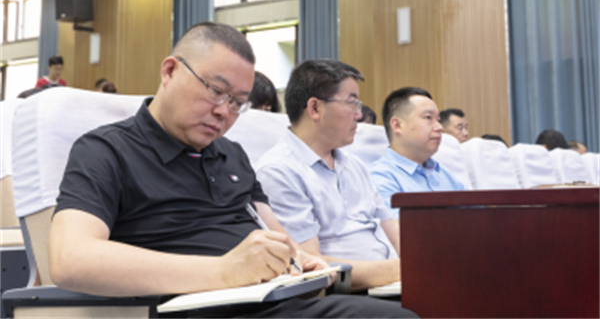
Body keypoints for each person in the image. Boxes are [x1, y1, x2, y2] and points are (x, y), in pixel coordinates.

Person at [49, 23, 417, 318]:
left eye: (238, 103)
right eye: (215, 91)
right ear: (170, 71)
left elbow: (278, 237)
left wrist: (299, 258)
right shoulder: (106, 150)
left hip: (273, 301)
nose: (224, 112)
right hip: (197, 307)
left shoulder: (232, 154)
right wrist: (224, 271)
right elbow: (70, 260)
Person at [256, 59, 401, 292]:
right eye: (352, 103)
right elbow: (311, 265)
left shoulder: (354, 165)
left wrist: (422, 263)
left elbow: (391, 230)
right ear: (315, 108)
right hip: (350, 293)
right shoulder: (279, 172)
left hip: (392, 283)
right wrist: (403, 270)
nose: (359, 114)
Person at [369, 87, 465, 218]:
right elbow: (400, 228)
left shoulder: (444, 174)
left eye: (438, 120)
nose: (439, 127)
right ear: (397, 125)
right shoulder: (380, 177)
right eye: (428, 117)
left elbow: (477, 216)